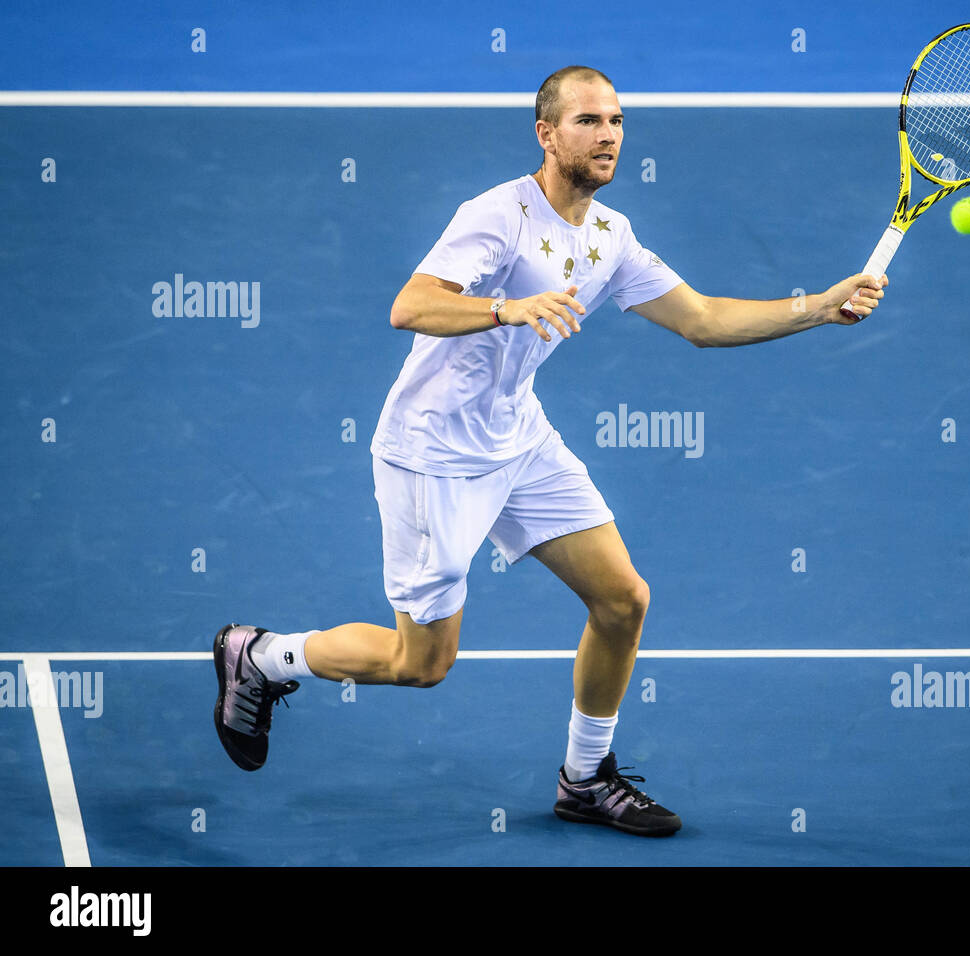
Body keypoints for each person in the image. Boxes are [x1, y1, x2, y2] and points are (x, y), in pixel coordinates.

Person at [213, 64, 887, 838]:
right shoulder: (498, 216)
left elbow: (702, 319)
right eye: (589, 122)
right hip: (434, 455)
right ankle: (262, 657)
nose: (608, 136)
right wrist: (507, 307)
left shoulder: (610, 234)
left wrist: (818, 307)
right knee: (420, 664)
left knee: (623, 599)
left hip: (517, 437)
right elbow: (410, 306)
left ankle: (585, 778)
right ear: (546, 133)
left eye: (617, 121)